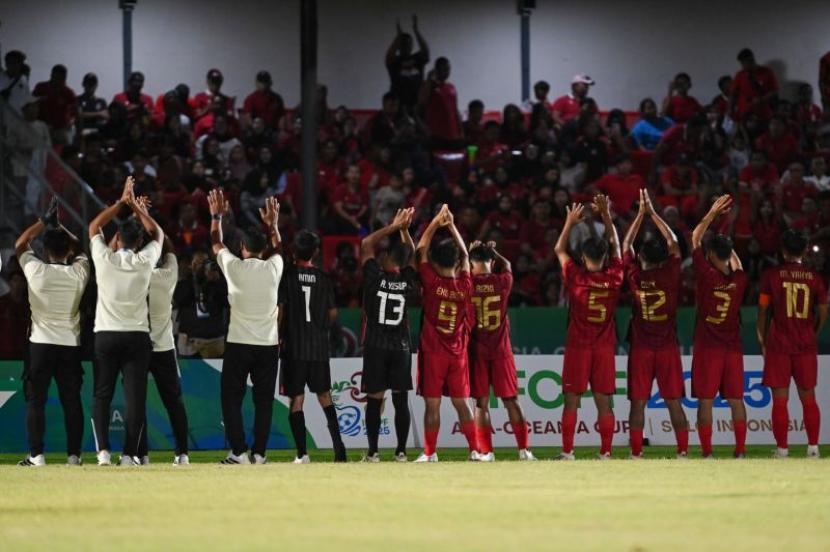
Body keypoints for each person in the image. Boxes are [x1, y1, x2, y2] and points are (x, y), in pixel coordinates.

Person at [88, 177, 163, 466]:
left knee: (102, 394)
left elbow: (94, 227)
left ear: (116, 239)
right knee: (135, 399)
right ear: (138, 243)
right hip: (136, 337)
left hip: (106, 335)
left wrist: (121, 202)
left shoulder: (104, 259)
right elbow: (157, 234)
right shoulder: (145, 260)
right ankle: (130, 454)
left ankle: (103, 452)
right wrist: (139, 211)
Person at [208, 191, 283, 465]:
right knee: (263, 402)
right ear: (263, 250)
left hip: (239, 343)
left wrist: (216, 216)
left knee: (231, 398)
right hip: (268, 345)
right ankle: (260, 454)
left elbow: (216, 242)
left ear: (241, 247)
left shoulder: (234, 267)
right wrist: (273, 224)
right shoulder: (275, 266)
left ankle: (238, 452)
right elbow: (278, 246)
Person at [15, 200, 89, 466]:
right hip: (69, 345)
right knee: (72, 400)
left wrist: (43, 222)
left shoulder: (36, 271)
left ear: (45, 251)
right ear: (67, 250)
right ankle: (73, 456)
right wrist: (62, 227)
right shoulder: (79, 272)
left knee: (36, 400)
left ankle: (36, 456)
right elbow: (81, 246)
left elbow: (20, 245)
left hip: (40, 346)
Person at [553, 194, 623, 460]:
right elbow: (616, 246)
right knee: (604, 402)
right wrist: (606, 216)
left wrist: (569, 222)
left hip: (578, 347)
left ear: (582, 257)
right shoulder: (615, 277)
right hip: (604, 348)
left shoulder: (576, 277)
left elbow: (559, 250)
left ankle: (568, 451)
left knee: (572, 400)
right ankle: (606, 452)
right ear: (605, 258)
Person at [621, 190, 689, 459]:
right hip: (668, 348)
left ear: (641, 257)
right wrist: (654, 214)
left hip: (641, 349)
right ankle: (683, 452)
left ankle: (636, 454)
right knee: (674, 401)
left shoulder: (635, 275)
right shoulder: (671, 272)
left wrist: (639, 216)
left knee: (638, 403)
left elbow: (625, 246)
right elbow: (674, 243)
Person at [413, 205, 478, 462]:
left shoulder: (432, 282)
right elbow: (465, 256)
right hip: (458, 354)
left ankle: (430, 453)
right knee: (462, 403)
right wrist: (451, 225)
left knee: (432, 405)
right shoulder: (465, 285)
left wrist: (435, 222)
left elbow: (420, 251)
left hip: (434, 353)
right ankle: (474, 450)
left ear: (437, 263)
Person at [757, 230, 828, 458]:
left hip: (779, 344)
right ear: (805, 251)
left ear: (783, 250)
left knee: (780, 400)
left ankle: (782, 450)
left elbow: (762, 310)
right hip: (805, 344)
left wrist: (762, 341)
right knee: (809, 398)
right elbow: (824, 311)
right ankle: (813, 449)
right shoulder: (816, 278)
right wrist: (812, 332)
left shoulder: (771, 276)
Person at [279, 230, 346, 463]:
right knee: (325, 396)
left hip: (294, 348)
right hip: (317, 348)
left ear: (294, 252)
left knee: (296, 400)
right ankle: (340, 452)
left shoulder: (287, 276)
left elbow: (282, 311)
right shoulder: (324, 278)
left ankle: (302, 454)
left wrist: (279, 335)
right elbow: (333, 312)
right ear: (316, 252)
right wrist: (320, 329)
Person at [690, 195, 749, 458]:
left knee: (706, 401)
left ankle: (707, 452)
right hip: (732, 348)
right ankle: (740, 451)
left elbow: (694, 238)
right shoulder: (739, 279)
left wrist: (713, 213)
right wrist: (727, 241)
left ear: (711, 255)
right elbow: (736, 263)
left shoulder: (706, 273)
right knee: (737, 400)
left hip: (708, 348)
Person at [359, 208, 418, 462]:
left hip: (376, 345)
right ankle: (401, 452)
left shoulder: (374, 276)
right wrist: (405, 230)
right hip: (401, 347)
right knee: (400, 400)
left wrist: (394, 227)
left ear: (386, 258)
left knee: (374, 401)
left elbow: (366, 243)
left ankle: (373, 452)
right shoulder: (408, 280)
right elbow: (413, 255)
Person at [468, 240, 535, 462]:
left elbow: (459, 270)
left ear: (471, 262)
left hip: (476, 350)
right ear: (492, 261)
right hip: (501, 350)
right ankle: (524, 451)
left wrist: (468, 252)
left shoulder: (467, 283)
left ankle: (487, 452)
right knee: (511, 400)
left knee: (481, 404)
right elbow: (508, 265)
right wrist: (494, 250)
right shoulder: (503, 281)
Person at [135, 234, 190, 465]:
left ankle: (141, 455)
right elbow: (171, 250)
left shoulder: (131, 276)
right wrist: (157, 231)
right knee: (174, 403)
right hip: (164, 347)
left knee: (136, 402)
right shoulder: (168, 274)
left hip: (137, 346)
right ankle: (182, 454)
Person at [386, 15, 430, 114]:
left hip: (417, 107)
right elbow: (388, 56)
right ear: (399, 45)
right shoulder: (395, 61)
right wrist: (398, 37)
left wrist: (416, 30)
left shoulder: (417, 59)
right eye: (403, 43)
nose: (406, 46)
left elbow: (425, 51)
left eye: (409, 43)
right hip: (399, 108)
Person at [419, 57, 462, 149]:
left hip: (453, 133)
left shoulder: (451, 87)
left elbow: (455, 109)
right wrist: (429, 80)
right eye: (444, 69)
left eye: (448, 69)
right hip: (437, 134)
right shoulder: (429, 87)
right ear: (437, 70)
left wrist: (461, 131)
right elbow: (422, 102)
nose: (447, 72)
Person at [731, 48, 779, 123]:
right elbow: (733, 94)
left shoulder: (767, 72)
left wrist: (762, 99)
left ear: (751, 60)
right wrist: (730, 110)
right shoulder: (739, 75)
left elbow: (774, 91)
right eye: (741, 64)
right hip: (745, 114)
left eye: (744, 63)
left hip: (763, 114)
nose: (742, 66)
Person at [31, 64, 76, 143]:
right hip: (41, 127)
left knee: (62, 150)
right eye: (57, 77)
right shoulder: (41, 87)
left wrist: (70, 122)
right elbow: (31, 102)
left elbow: (75, 111)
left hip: (60, 130)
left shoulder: (68, 92)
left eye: (62, 78)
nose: (59, 80)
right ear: (51, 75)